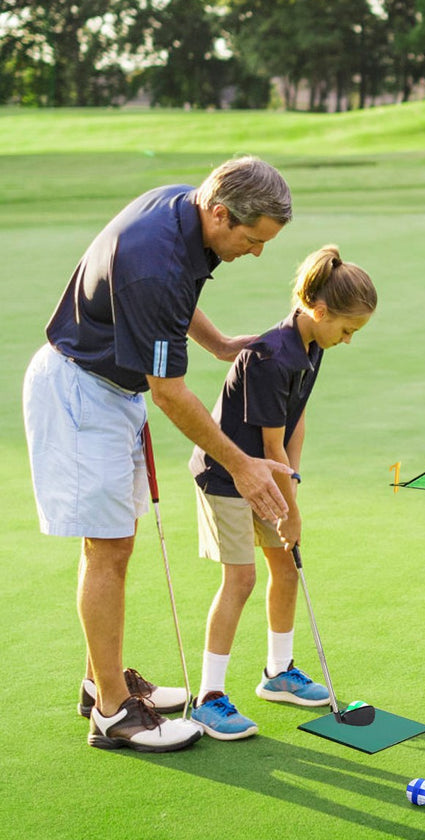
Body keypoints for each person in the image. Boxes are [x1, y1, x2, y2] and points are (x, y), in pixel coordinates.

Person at [23, 156, 295, 753]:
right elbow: (170, 393)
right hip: (79, 393)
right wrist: (244, 467)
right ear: (220, 213)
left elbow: (174, 301)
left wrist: (218, 342)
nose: (255, 253)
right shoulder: (157, 260)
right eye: (251, 240)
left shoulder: (185, 209)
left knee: (112, 544)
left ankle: (104, 681)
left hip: (107, 390)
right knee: (109, 548)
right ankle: (114, 713)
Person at [187, 245, 377, 740]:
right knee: (242, 579)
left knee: (286, 568)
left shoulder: (313, 345)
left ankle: (278, 673)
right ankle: (209, 697)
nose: (349, 340)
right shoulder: (273, 355)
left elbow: (296, 426)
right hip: (226, 475)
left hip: (266, 471)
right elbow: (270, 445)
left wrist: (294, 488)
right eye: (348, 330)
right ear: (320, 311)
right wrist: (290, 513)